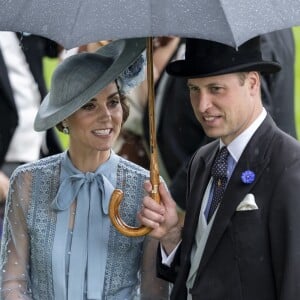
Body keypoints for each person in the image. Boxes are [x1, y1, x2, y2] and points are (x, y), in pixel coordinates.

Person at [0, 38, 169, 299]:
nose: (106, 116)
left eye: (113, 102)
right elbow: (13, 281)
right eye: (89, 105)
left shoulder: (147, 187)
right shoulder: (27, 182)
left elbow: (153, 291)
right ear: (64, 116)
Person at [138, 36, 300, 299]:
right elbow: (202, 270)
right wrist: (169, 236)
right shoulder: (202, 161)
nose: (202, 106)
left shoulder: (290, 168)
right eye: (193, 89)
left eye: (215, 89)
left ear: (252, 83)